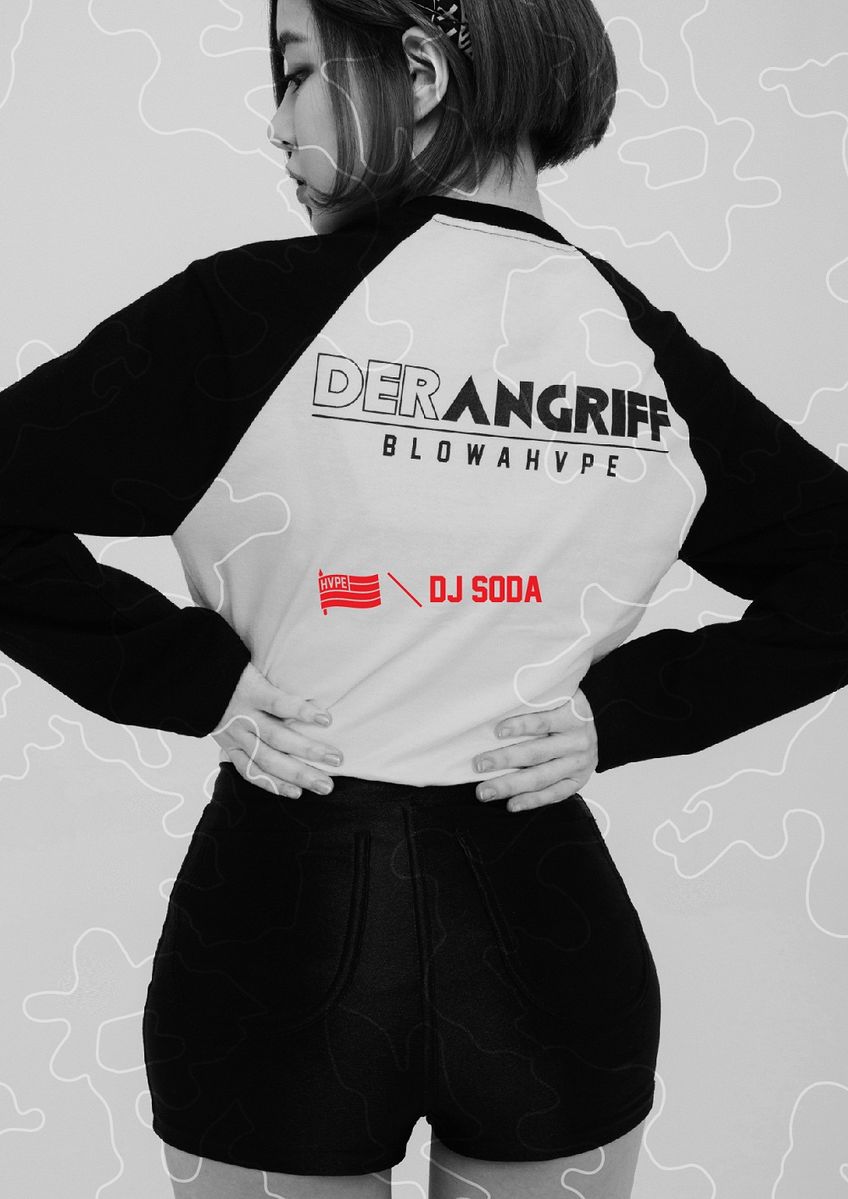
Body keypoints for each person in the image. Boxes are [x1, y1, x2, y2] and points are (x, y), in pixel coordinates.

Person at [1, 1, 847, 1197]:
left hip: (280, 934)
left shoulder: (246, 315)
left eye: (296, 72)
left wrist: (194, 678)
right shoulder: (639, 354)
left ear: (418, 72)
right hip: (546, 937)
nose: (277, 125)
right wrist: (625, 711)